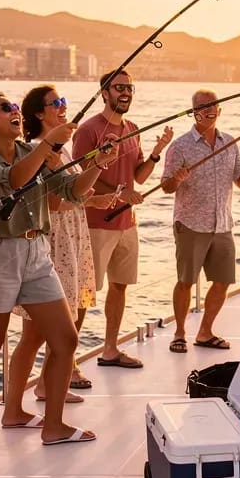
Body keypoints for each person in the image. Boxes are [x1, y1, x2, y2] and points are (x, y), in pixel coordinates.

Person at [0, 92, 116, 448]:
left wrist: (97, 163)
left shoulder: (33, 153)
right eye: (6, 109)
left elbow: (73, 192)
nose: (15, 112)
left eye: (15, 107)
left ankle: (54, 427)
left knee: (66, 339)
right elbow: (13, 180)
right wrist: (47, 144)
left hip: (37, 251)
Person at [4, 85, 121, 412]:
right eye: (55, 103)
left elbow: (72, 194)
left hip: (71, 240)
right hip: (53, 245)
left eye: (64, 101)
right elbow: (54, 202)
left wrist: (95, 189)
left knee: (59, 326)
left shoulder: (63, 151)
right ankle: (12, 404)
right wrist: (82, 196)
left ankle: (45, 385)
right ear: (39, 113)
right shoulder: (36, 151)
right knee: (34, 334)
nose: (63, 107)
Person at [72, 69, 173, 369]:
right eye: (119, 87)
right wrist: (119, 191)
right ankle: (69, 364)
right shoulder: (89, 130)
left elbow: (137, 177)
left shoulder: (133, 129)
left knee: (120, 286)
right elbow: (79, 178)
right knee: (84, 293)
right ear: (104, 92)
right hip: (95, 223)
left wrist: (156, 153)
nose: (125, 92)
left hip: (127, 224)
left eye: (129, 87)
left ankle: (110, 350)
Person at [160, 89, 240, 354]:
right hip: (190, 224)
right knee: (186, 281)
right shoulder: (180, 146)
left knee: (223, 281)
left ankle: (205, 332)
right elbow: (165, 186)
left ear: (219, 110)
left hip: (222, 224)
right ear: (194, 112)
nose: (209, 109)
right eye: (202, 106)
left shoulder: (230, 143)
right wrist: (177, 179)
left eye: (213, 106)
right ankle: (179, 333)